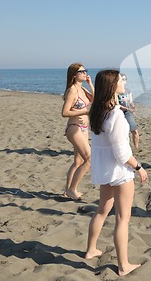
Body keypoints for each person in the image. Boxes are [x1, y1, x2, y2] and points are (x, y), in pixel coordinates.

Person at [84, 69, 148, 277]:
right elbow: (122, 154)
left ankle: (91, 250)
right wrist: (139, 167)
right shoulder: (116, 116)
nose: (123, 82)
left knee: (102, 210)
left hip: (104, 169)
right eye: (120, 79)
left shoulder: (98, 111)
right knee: (122, 218)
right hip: (119, 172)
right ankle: (123, 266)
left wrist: (119, 107)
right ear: (113, 86)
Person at [61, 63, 94, 200]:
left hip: (84, 128)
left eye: (86, 70)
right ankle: (72, 190)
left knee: (78, 161)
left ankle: (67, 190)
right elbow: (64, 112)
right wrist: (84, 111)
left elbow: (94, 99)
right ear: (74, 75)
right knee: (90, 158)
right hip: (74, 127)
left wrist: (90, 84)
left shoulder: (82, 88)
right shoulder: (72, 90)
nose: (85, 73)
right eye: (82, 71)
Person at [118, 73, 139, 149]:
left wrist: (133, 107)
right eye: (121, 79)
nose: (123, 81)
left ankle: (136, 147)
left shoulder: (128, 90)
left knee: (134, 130)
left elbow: (130, 101)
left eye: (124, 79)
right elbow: (117, 105)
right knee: (122, 132)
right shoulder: (116, 91)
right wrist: (128, 109)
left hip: (127, 112)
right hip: (119, 113)